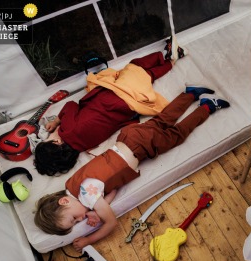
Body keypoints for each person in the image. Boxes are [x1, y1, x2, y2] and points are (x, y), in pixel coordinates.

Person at [34, 86, 230, 252]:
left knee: (177, 135)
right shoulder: (75, 186)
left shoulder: (87, 195)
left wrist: (88, 240)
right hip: (128, 137)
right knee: (162, 121)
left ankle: (207, 107)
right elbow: (111, 188)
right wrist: (96, 211)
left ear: (64, 201)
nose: (80, 219)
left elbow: (112, 223)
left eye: (73, 219)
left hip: (141, 147)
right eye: (77, 223)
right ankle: (190, 94)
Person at [34, 42, 188, 177]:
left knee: (145, 77)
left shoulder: (86, 147)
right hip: (115, 98)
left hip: (127, 111)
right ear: (57, 141)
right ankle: (168, 58)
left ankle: (169, 60)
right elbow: (71, 106)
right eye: (49, 137)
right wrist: (56, 122)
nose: (50, 133)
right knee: (135, 67)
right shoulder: (67, 131)